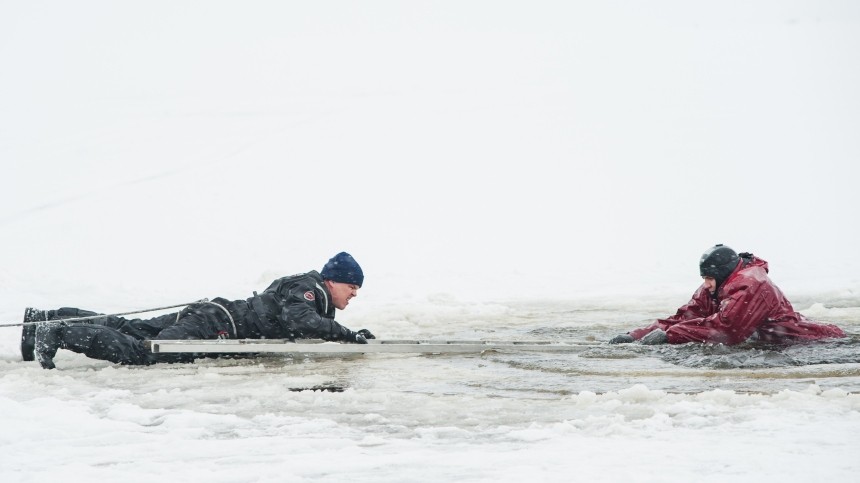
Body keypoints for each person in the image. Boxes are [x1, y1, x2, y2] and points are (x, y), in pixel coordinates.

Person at [23, 252, 376, 369]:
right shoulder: (309, 291)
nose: (355, 293)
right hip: (214, 326)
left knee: (134, 329)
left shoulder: (305, 286)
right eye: (352, 286)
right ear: (332, 281)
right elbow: (299, 321)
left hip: (212, 315)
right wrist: (347, 335)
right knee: (145, 352)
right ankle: (56, 331)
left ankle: (43, 318)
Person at [609, 244, 845, 346]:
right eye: (704, 279)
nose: (706, 285)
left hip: (813, 343)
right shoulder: (714, 288)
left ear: (721, 274)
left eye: (709, 279)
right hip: (776, 344)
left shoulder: (752, 284)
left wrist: (670, 336)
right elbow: (683, 318)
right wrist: (637, 335)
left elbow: (728, 330)